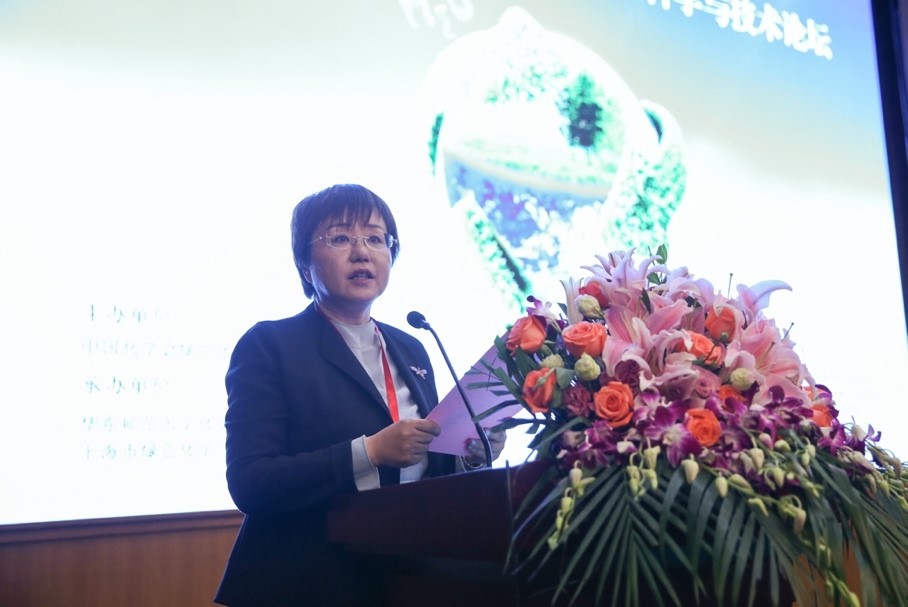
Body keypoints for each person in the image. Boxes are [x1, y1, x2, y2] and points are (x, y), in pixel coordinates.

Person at [214, 184, 503, 607]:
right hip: (305, 581)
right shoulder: (270, 345)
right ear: (304, 264)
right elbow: (251, 483)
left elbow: (419, 469)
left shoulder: (411, 346)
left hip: (407, 575)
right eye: (340, 238)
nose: (362, 252)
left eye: (375, 238)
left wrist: (468, 452)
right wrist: (369, 452)